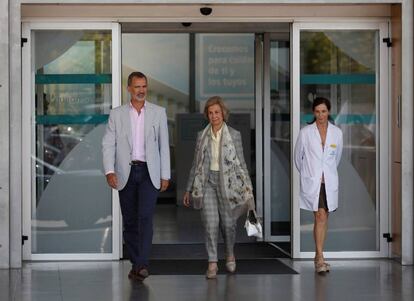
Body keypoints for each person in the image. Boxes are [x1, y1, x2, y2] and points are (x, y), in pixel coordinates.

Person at [102, 71, 170, 281]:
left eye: (144, 86)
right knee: (130, 221)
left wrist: (165, 174)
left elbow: (164, 146)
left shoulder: (159, 112)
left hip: (150, 173)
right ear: (129, 88)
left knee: (146, 218)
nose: (141, 90)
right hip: (126, 172)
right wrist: (109, 170)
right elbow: (108, 143)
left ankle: (141, 263)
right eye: (137, 86)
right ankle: (136, 262)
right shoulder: (117, 114)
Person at [183, 96, 254, 279]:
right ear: (207, 115)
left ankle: (230, 253)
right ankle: (212, 262)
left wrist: (248, 190)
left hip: (228, 184)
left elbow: (241, 164)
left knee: (228, 224)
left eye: (217, 112)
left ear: (223, 113)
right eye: (211, 113)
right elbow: (196, 164)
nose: (214, 116)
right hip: (206, 183)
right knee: (211, 223)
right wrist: (188, 188)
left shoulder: (234, 135)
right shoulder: (202, 135)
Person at [294, 97, 343, 273]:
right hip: (313, 182)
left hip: (328, 182)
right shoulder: (306, 132)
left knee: (323, 218)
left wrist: (325, 173)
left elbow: (336, 158)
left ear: (328, 112)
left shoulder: (337, 133)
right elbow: (297, 158)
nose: (321, 115)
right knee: (320, 216)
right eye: (317, 111)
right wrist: (309, 173)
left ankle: (317, 255)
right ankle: (320, 258)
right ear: (313, 113)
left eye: (323, 111)